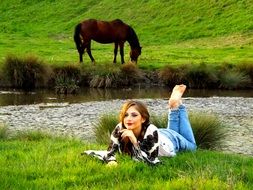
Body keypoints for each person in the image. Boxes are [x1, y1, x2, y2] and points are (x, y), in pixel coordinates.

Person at [84, 84, 197, 165]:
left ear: (143, 119)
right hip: (158, 136)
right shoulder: (120, 128)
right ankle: (174, 106)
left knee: (193, 147)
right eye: (126, 115)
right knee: (175, 131)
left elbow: (150, 160)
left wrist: (134, 141)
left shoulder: (151, 129)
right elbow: (109, 152)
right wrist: (112, 161)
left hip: (171, 140)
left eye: (134, 115)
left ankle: (178, 106)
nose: (128, 119)